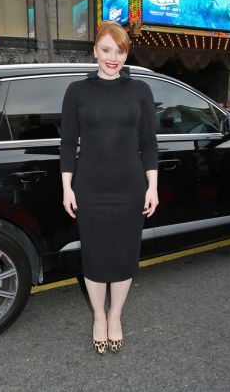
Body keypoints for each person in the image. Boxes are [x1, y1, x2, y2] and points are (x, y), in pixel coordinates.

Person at [60, 20, 159, 355]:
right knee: (95, 256)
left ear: (126, 53)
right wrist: (67, 187)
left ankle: (115, 315)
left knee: (124, 255)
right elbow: (67, 143)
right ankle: (97, 317)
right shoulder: (77, 91)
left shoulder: (140, 91)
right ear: (95, 51)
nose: (112, 57)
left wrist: (152, 186)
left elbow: (149, 143)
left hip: (130, 187)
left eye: (119, 51)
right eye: (106, 50)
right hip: (90, 188)